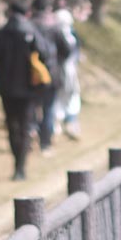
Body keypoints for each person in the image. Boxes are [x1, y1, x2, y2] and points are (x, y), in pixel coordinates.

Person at [0, 0, 61, 181]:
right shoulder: (32, 32)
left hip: (6, 87)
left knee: (12, 125)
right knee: (25, 125)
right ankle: (20, 166)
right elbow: (46, 54)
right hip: (30, 87)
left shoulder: (2, 34)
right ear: (27, 14)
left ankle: (18, 160)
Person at [30, 0, 74, 154]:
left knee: (33, 106)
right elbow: (67, 50)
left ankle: (32, 130)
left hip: (32, 74)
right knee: (48, 108)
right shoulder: (54, 27)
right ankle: (45, 144)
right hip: (52, 73)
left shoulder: (29, 26)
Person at [50, 8, 82, 141]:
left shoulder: (70, 33)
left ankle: (69, 122)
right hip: (60, 72)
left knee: (71, 96)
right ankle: (57, 125)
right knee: (60, 98)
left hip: (68, 71)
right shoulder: (57, 34)